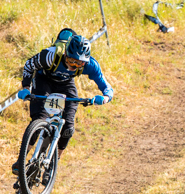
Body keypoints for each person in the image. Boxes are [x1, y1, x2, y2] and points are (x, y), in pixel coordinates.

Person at [13, 28, 113, 180]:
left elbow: (107, 87)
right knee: (39, 118)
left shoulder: (90, 65)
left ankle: (53, 164)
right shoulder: (50, 55)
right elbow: (29, 65)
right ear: (65, 54)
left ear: (85, 61)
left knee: (68, 128)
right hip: (44, 80)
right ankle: (21, 159)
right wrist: (26, 88)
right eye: (71, 60)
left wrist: (105, 97)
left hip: (66, 85)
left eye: (79, 63)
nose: (74, 65)